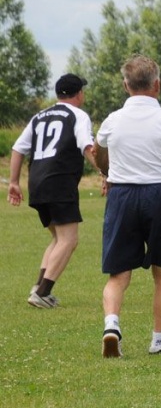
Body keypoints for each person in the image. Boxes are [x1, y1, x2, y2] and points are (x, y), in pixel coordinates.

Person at [93, 55, 161, 358]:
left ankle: (112, 325)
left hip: (122, 196)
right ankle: (158, 341)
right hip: (160, 196)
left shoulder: (112, 120)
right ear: (158, 84)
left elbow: (97, 154)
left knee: (118, 274)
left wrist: (106, 172)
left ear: (125, 85)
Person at [8, 74, 98, 308]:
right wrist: (105, 172)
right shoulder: (78, 115)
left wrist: (14, 182)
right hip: (60, 181)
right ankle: (41, 293)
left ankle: (39, 288)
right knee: (69, 239)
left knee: (58, 237)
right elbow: (88, 147)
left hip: (37, 182)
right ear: (78, 94)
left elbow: (18, 148)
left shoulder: (39, 116)